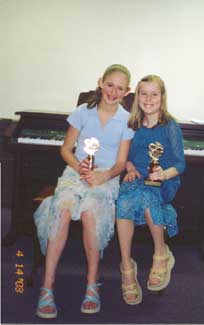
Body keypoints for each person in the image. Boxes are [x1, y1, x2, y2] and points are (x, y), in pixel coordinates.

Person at [34, 64, 134, 317]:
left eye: (120, 88)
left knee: (90, 213)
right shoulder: (83, 111)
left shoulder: (126, 120)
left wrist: (103, 175)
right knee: (62, 208)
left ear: (127, 92)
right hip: (76, 172)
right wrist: (81, 168)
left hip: (106, 177)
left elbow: (121, 163)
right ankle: (47, 285)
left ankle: (92, 283)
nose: (113, 91)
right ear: (101, 82)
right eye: (109, 84)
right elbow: (66, 149)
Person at [116, 75, 185, 305]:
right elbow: (124, 155)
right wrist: (129, 166)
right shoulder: (132, 124)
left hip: (163, 180)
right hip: (137, 177)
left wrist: (163, 174)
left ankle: (161, 254)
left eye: (154, 94)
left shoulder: (170, 126)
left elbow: (180, 164)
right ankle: (127, 265)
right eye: (143, 93)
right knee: (123, 202)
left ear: (162, 97)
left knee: (147, 195)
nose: (148, 99)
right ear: (137, 97)